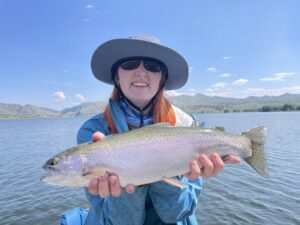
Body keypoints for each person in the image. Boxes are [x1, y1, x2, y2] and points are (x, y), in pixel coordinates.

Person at [74, 35, 240, 225]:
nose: (141, 72)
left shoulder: (186, 124)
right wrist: (134, 180)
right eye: (130, 64)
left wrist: (162, 170)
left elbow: (178, 214)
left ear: (162, 79)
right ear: (117, 77)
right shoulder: (93, 132)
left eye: (153, 66)